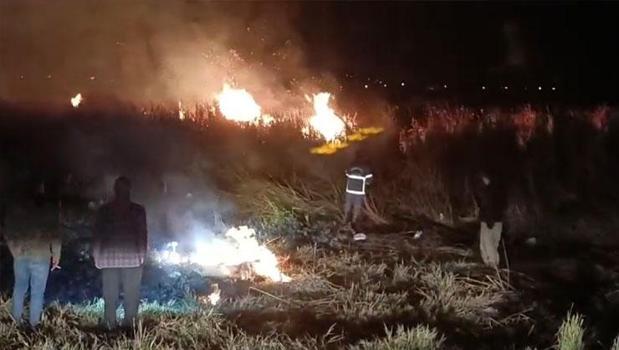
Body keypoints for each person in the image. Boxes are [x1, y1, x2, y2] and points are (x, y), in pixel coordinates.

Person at [4, 182, 62, 327]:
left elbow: (8, 230)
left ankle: (14, 322)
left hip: (21, 254)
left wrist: (14, 249)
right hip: (41, 255)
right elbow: (55, 234)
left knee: (19, 288)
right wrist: (56, 255)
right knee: (37, 292)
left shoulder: (18, 209)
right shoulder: (49, 210)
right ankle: (34, 325)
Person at [93, 176, 147, 329]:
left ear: (115, 190)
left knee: (110, 294)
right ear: (129, 190)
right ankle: (129, 325)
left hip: (108, 259)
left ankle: (109, 324)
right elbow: (142, 235)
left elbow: (98, 235)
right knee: (131, 295)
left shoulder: (104, 210)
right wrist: (142, 256)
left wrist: (97, 257)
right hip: (132, 259)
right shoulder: (138, 210)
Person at [473, 172, 507, 268]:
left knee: (487, 244)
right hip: (496, 220)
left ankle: (492, 265)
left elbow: (488, 206)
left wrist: (489, 220)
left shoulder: (489, 192)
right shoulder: (498, 191)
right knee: (492, 243)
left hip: (489, 220)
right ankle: (493, 264)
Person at [344, 164, 373, 240]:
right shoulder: (367, 170)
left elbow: (346, 174)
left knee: (348, 207)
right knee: (357, 209)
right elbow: (369, 182)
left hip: (349, 192)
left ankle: (346, 223)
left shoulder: (350, 167)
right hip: (359, 193)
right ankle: (354, 223)